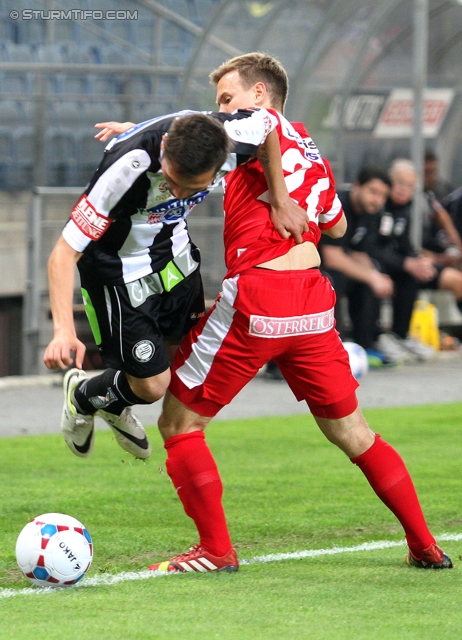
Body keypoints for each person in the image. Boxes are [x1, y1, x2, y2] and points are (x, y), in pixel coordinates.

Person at [133, 53, 451, 573]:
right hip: (312, 302)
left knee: (179, 422)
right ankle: (424, 545)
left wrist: (144, 135)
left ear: (261, 95)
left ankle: (215, 550)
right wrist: (292, 198)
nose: (223, 110)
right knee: (355, 434)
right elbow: (339, 227)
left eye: (228, 98)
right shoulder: (311, 149)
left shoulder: (256, 122)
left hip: (261, 293)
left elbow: (218, 133)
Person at [44, 108, 307, 461]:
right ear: (165, 147)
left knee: (179, 363)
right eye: (171, 178)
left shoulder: (234, 138)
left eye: (191, 187)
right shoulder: (127, 167)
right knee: (153, 385)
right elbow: (62, 254)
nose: (177, 191)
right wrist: (62, 330)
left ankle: (111, 400)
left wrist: (280, 198)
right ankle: (84, 395)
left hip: (175, 256)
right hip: (118, 270)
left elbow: (270, 125)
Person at [370, 159, 462, 361]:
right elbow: (371, 247)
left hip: (400, 264)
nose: (404, 189)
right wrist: (407, 263)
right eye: (399, 182)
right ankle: (376, 338)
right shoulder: (376, 204)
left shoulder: (406, 208)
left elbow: (405, 245)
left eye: (410, 185)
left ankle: (401, 336)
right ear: (389, 182)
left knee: (452, 278)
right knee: (388, 274)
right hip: (374, 264)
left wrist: (419, 261)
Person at [320, 165, 398, 367]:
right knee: (334, 281)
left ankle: (366, 345)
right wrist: (371, 276)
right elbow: (332, 257)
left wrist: (375, 276)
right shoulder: (337, 205)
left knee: (370, 279)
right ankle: (330, 348)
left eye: (382, 196)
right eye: (373, 192)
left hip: (337, 265)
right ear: (357, 186)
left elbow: (359, 253)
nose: (377, 200)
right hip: (314, 266)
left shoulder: (371, 213)